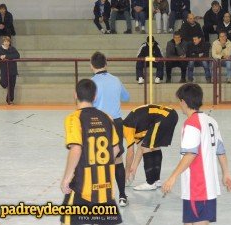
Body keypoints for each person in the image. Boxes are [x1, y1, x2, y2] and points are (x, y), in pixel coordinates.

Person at [162, 83, 231, 225]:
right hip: (208, 187)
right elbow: (221, 151)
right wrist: (226, 173)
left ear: (183, 101)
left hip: (197, 186)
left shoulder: (191, 124)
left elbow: (190, 154)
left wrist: (172, 177)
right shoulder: (211, 121)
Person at [60, 79, 122, 225]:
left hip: (82, 185)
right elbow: (116, 148)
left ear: (75, 95)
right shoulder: (106, 117)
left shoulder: (74, 118)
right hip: (104, 185)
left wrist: (66, 178)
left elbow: (76, 149)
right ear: (95, 96)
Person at [90, 52, 130, 207]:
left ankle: (100, 196)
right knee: (117, 159)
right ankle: (122, 196)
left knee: (98, 160)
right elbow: (126, 97)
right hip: (117, 123)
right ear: (106, 63)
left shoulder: (91, 83)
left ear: (91, 65)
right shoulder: (116, 80)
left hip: (98, 123)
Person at [123, 104, 178, 191]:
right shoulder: (136, 128)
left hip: (164, 117)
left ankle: (150, 182)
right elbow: (141, 147)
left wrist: (126, 172)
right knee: (154, 147)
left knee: (148, 147)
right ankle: (156, 180)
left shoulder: (127, 127)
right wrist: (133, 169)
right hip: (171, 115)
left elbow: (130, 153)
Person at [0, 36, 20, 105]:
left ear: (9, 42)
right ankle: (9, 98)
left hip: (13, 70)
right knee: (4, 83)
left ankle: (10, 100)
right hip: (4, 70)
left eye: (8, 41)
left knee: (12, 86)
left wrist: (6, 56)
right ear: (3, 42)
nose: (6, 43)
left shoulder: (12, 49)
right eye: (5, 41)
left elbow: (17, 55)